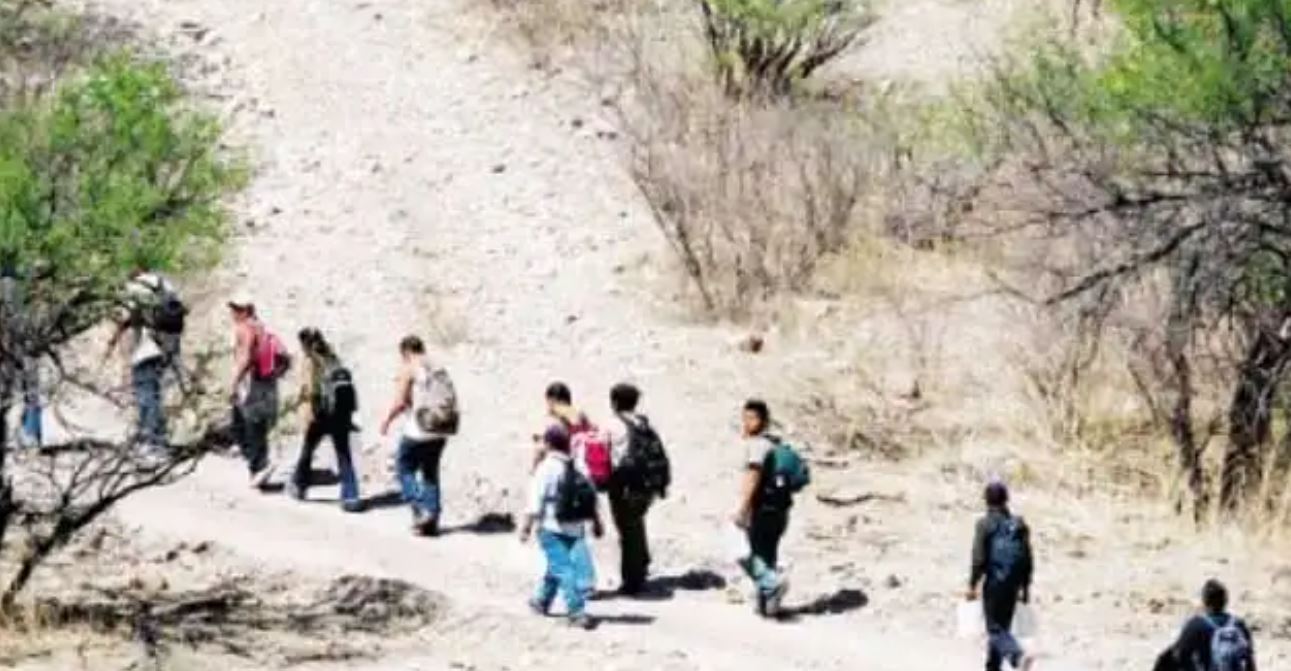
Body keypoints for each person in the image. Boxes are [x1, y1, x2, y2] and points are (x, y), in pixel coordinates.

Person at [521, 424, 603, 630]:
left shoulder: (546, 467)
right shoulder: (578, 465)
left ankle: (576, 612)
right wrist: (597, 521)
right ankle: (541, 601)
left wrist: (525, 527)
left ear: (548, 444)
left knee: (562, 568)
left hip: (551, 526)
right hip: (575, 527)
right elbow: (591, 496)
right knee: (557, 566)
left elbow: (534, 502)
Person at [379, 335, 453, 536]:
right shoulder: (437, 365)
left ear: (405, 352)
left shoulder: (410, 367)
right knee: (430, 473)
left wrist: (387, 420)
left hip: (418, 429)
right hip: (441, 428)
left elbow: (401, 401)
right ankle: (432, 522)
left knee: (404, 467)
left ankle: (421, 510)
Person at [106, 268, 182, 450]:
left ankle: (153, 442)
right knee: (155, 393)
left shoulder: (135, 288)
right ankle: (153, 437)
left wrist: (112, 341)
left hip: (147, 350)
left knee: (146, 395)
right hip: (168, 346)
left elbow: (125, 318)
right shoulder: (165, 284)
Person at [290, 328, 362, 512]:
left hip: (322, 413)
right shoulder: (333, 357)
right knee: (343, 454)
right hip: (342, 413)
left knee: (308, 449)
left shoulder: (312, 361)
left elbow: (311, 389)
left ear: (304, 344)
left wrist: (307, 409)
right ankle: (351, 496)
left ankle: (298, 485)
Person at [967, 482, 1036, 671]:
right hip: (1013, 584)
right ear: (1006, 500)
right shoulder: (1019, 524)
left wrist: (972, 584)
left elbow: (978, 558)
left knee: (995, 630)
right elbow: (1028, 559)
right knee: (1001, 629)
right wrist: (1025, 587)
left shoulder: (984, 524)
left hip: (995, 583)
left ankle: (1017, 656)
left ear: (987, 500)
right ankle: (992, 667)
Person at [733, 399, 793, 617]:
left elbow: (753, 476)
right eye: (745, 418)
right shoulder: (776, 444)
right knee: (767, 555)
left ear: (764, 420)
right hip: (780, 509)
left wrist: (742, 508)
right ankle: (766, 605)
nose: (747, 422)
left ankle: (771, 583)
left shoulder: (757, 445)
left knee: (745, 554)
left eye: (752, 418)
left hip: (761, 508)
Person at [605, 382, 665, 596]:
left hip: (623, 485)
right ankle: (642, 564)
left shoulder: (612, 425)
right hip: (645, 486)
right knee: (636, 523)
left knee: (626, 530)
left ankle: (632, 581)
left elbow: (604, 453)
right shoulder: (643, 424)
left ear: (614, 402)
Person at [540, 382, 598, 596]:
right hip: (584, 477)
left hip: (565, 477)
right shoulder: (582, 416)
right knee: (577, 530)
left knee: (561, 532)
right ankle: (585, 581)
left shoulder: (558, 419)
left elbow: (548, 447)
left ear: (552, 399)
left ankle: (578, 583)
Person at [227, 294, 281, 489]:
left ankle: (258, 466)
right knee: (249, 422)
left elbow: (247, 355)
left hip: (250, 380)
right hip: (266, 380)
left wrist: (235, 380)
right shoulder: (260, 326)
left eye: (236, 308)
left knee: (248, 424)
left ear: (246, 310)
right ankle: (257, 463)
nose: (232, 312)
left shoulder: (245, 328)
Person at [1154, 579, 1256, 671]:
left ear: (1205, 601)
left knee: (1166, 658)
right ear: (1225, 601)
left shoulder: (1197, 624)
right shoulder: (1239, 624)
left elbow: (1178, 655)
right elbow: (1249, 661)